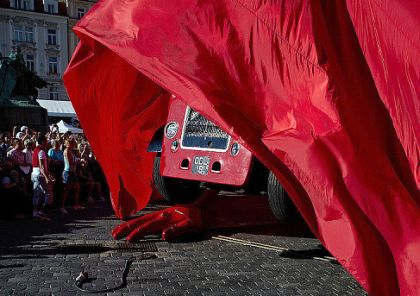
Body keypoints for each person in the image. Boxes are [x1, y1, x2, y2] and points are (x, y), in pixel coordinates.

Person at [31, 133, 54, 220]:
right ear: (43, 142)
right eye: (46, 141)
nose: (47, 142)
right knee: (49, 194)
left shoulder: (35, 150)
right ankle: (42, 212)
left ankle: (35, 213)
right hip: (39, 175)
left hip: (34, 174)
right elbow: (41, 166)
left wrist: (49, 174)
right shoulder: (41, 151)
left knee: (38, 194)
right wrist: (47, 177)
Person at [62, 137, 84, 213]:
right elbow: (71, 163)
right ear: (70, 143)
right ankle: (62, 207)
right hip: (67, 172)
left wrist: (79, 159)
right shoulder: (66, 151)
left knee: (77, 188)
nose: (75, 143)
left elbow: (74, 160)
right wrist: (79, 161)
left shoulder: (71, 151)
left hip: (72, 172)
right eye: (74, 142)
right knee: (66, 190)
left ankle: (76, 205)